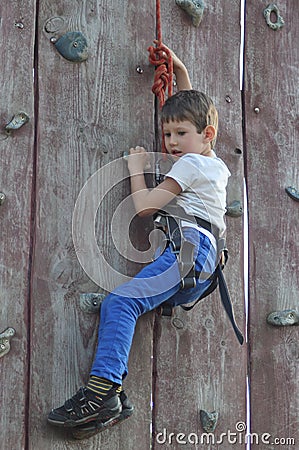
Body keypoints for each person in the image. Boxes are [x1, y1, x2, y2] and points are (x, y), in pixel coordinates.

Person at [47, 46, 231, 430]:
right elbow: (194, 112)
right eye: (167, 134)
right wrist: (178, 69)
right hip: (199, 263)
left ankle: (103, 392)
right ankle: (113, 397)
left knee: (120, 302)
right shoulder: (211, 163)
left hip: (188, 251)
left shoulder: (193, 164)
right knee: (125, 304)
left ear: (206, 135)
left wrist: (136, 167)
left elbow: (146, 206)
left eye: (180, 134)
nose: (172, 142)